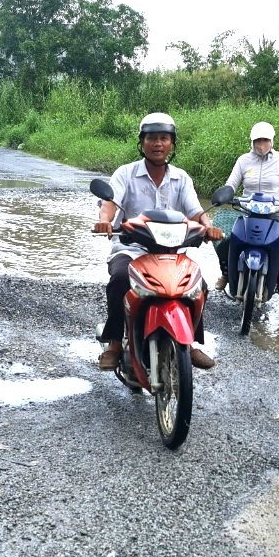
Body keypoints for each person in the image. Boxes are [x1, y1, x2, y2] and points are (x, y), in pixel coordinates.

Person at [94, 113, 224, 371]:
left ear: (172, 144)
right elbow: (110, 203)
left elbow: (196, 211)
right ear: (141, 142)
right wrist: (105, 221)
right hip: (131, 249)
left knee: (200, 284)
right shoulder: (126, 174)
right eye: (151, 138)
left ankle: (191, 343)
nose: (157, 144)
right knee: (120, 280)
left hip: (171, 252)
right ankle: (114, 343)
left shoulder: (181, 178)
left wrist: (208, 227)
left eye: (164, 138)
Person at [213, 121, 279, 307]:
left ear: (272, 141)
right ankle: (226, 274)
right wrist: (226, 194)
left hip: (275, 213)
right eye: (258, 140)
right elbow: (232, 183)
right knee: (225, 239)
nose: (261, 144)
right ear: (252, 141)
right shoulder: (243, 160)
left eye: (265, 140)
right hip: (248, 212)